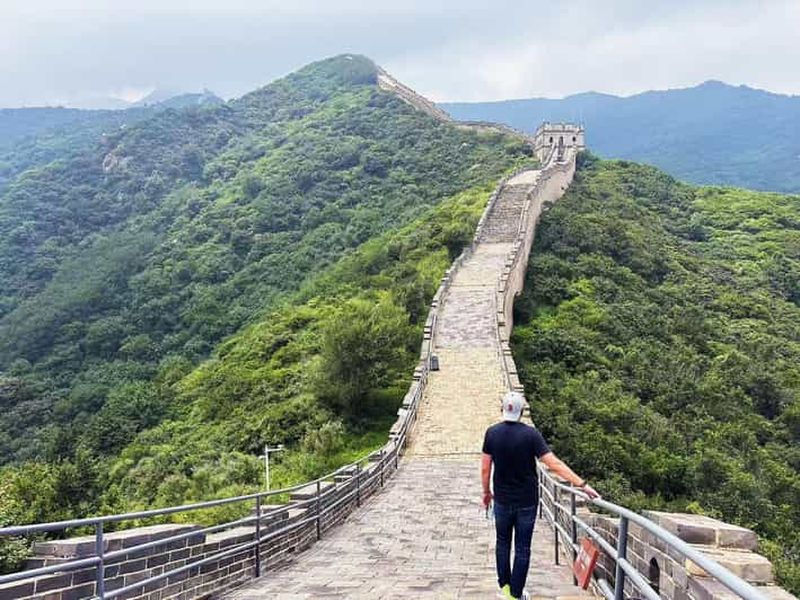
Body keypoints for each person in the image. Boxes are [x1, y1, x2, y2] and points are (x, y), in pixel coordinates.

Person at [481, 391, 600, 600]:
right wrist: (582, 485)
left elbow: (485, 469)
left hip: (501, 499)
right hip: (527, 502)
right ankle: (515, 594)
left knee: (502, 543)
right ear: (521, 411)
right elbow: (553, 464)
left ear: (503, 410)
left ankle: (506, 589)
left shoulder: (492, 433)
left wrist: (486, 493)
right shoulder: (531, 435)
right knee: (522, 548)